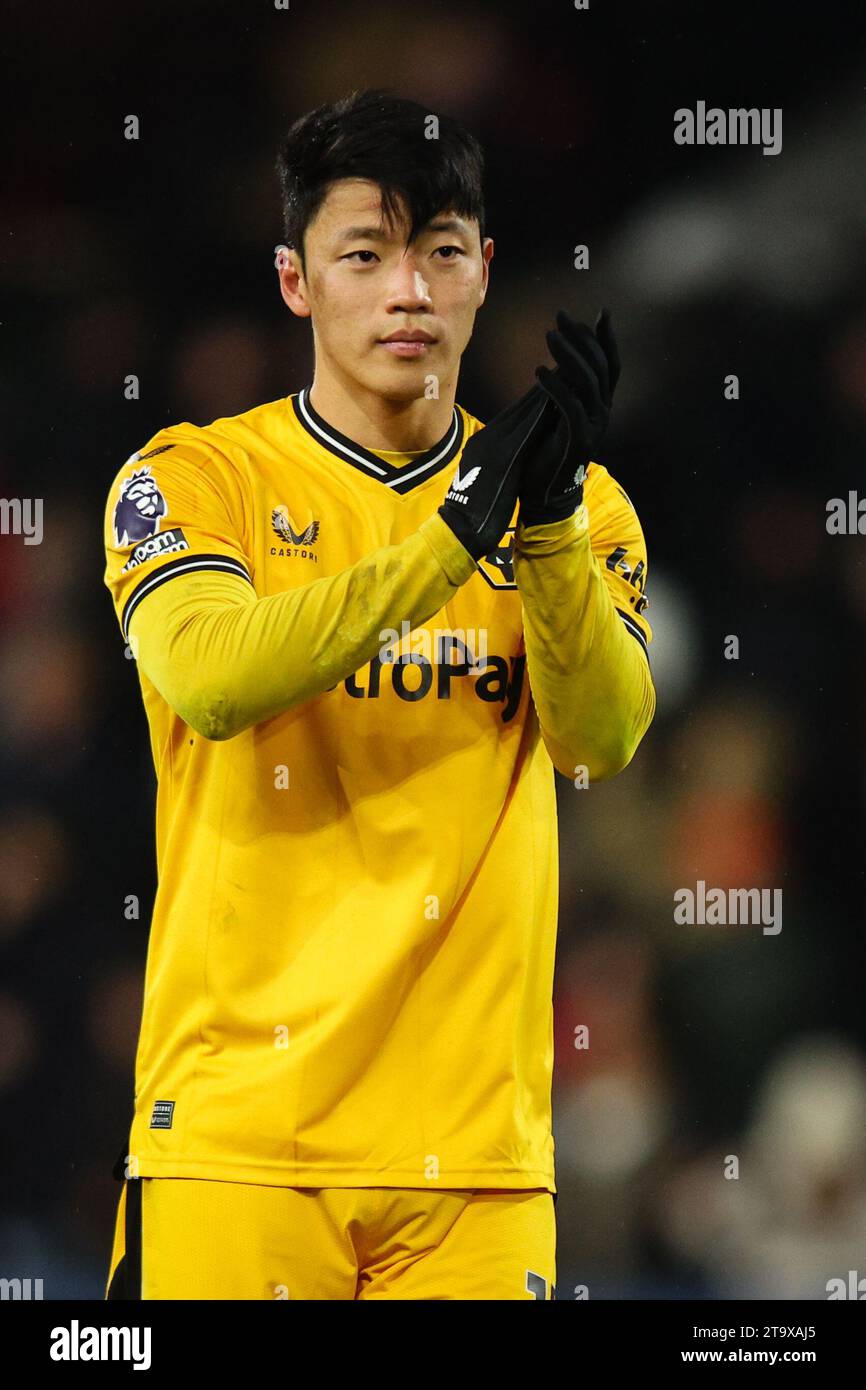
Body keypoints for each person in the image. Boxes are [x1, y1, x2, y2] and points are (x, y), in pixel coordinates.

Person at [102, 88, 655, 1301]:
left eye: (439, 253)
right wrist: (453, 541)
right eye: (365, 254)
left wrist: (546, 526)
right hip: (240, 1149)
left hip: (477, 1167)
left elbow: (600, 738)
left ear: (482, 272)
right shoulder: (195, 478)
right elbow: (209, 677)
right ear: (297, 281)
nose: (407, 291)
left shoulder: (572, 506)